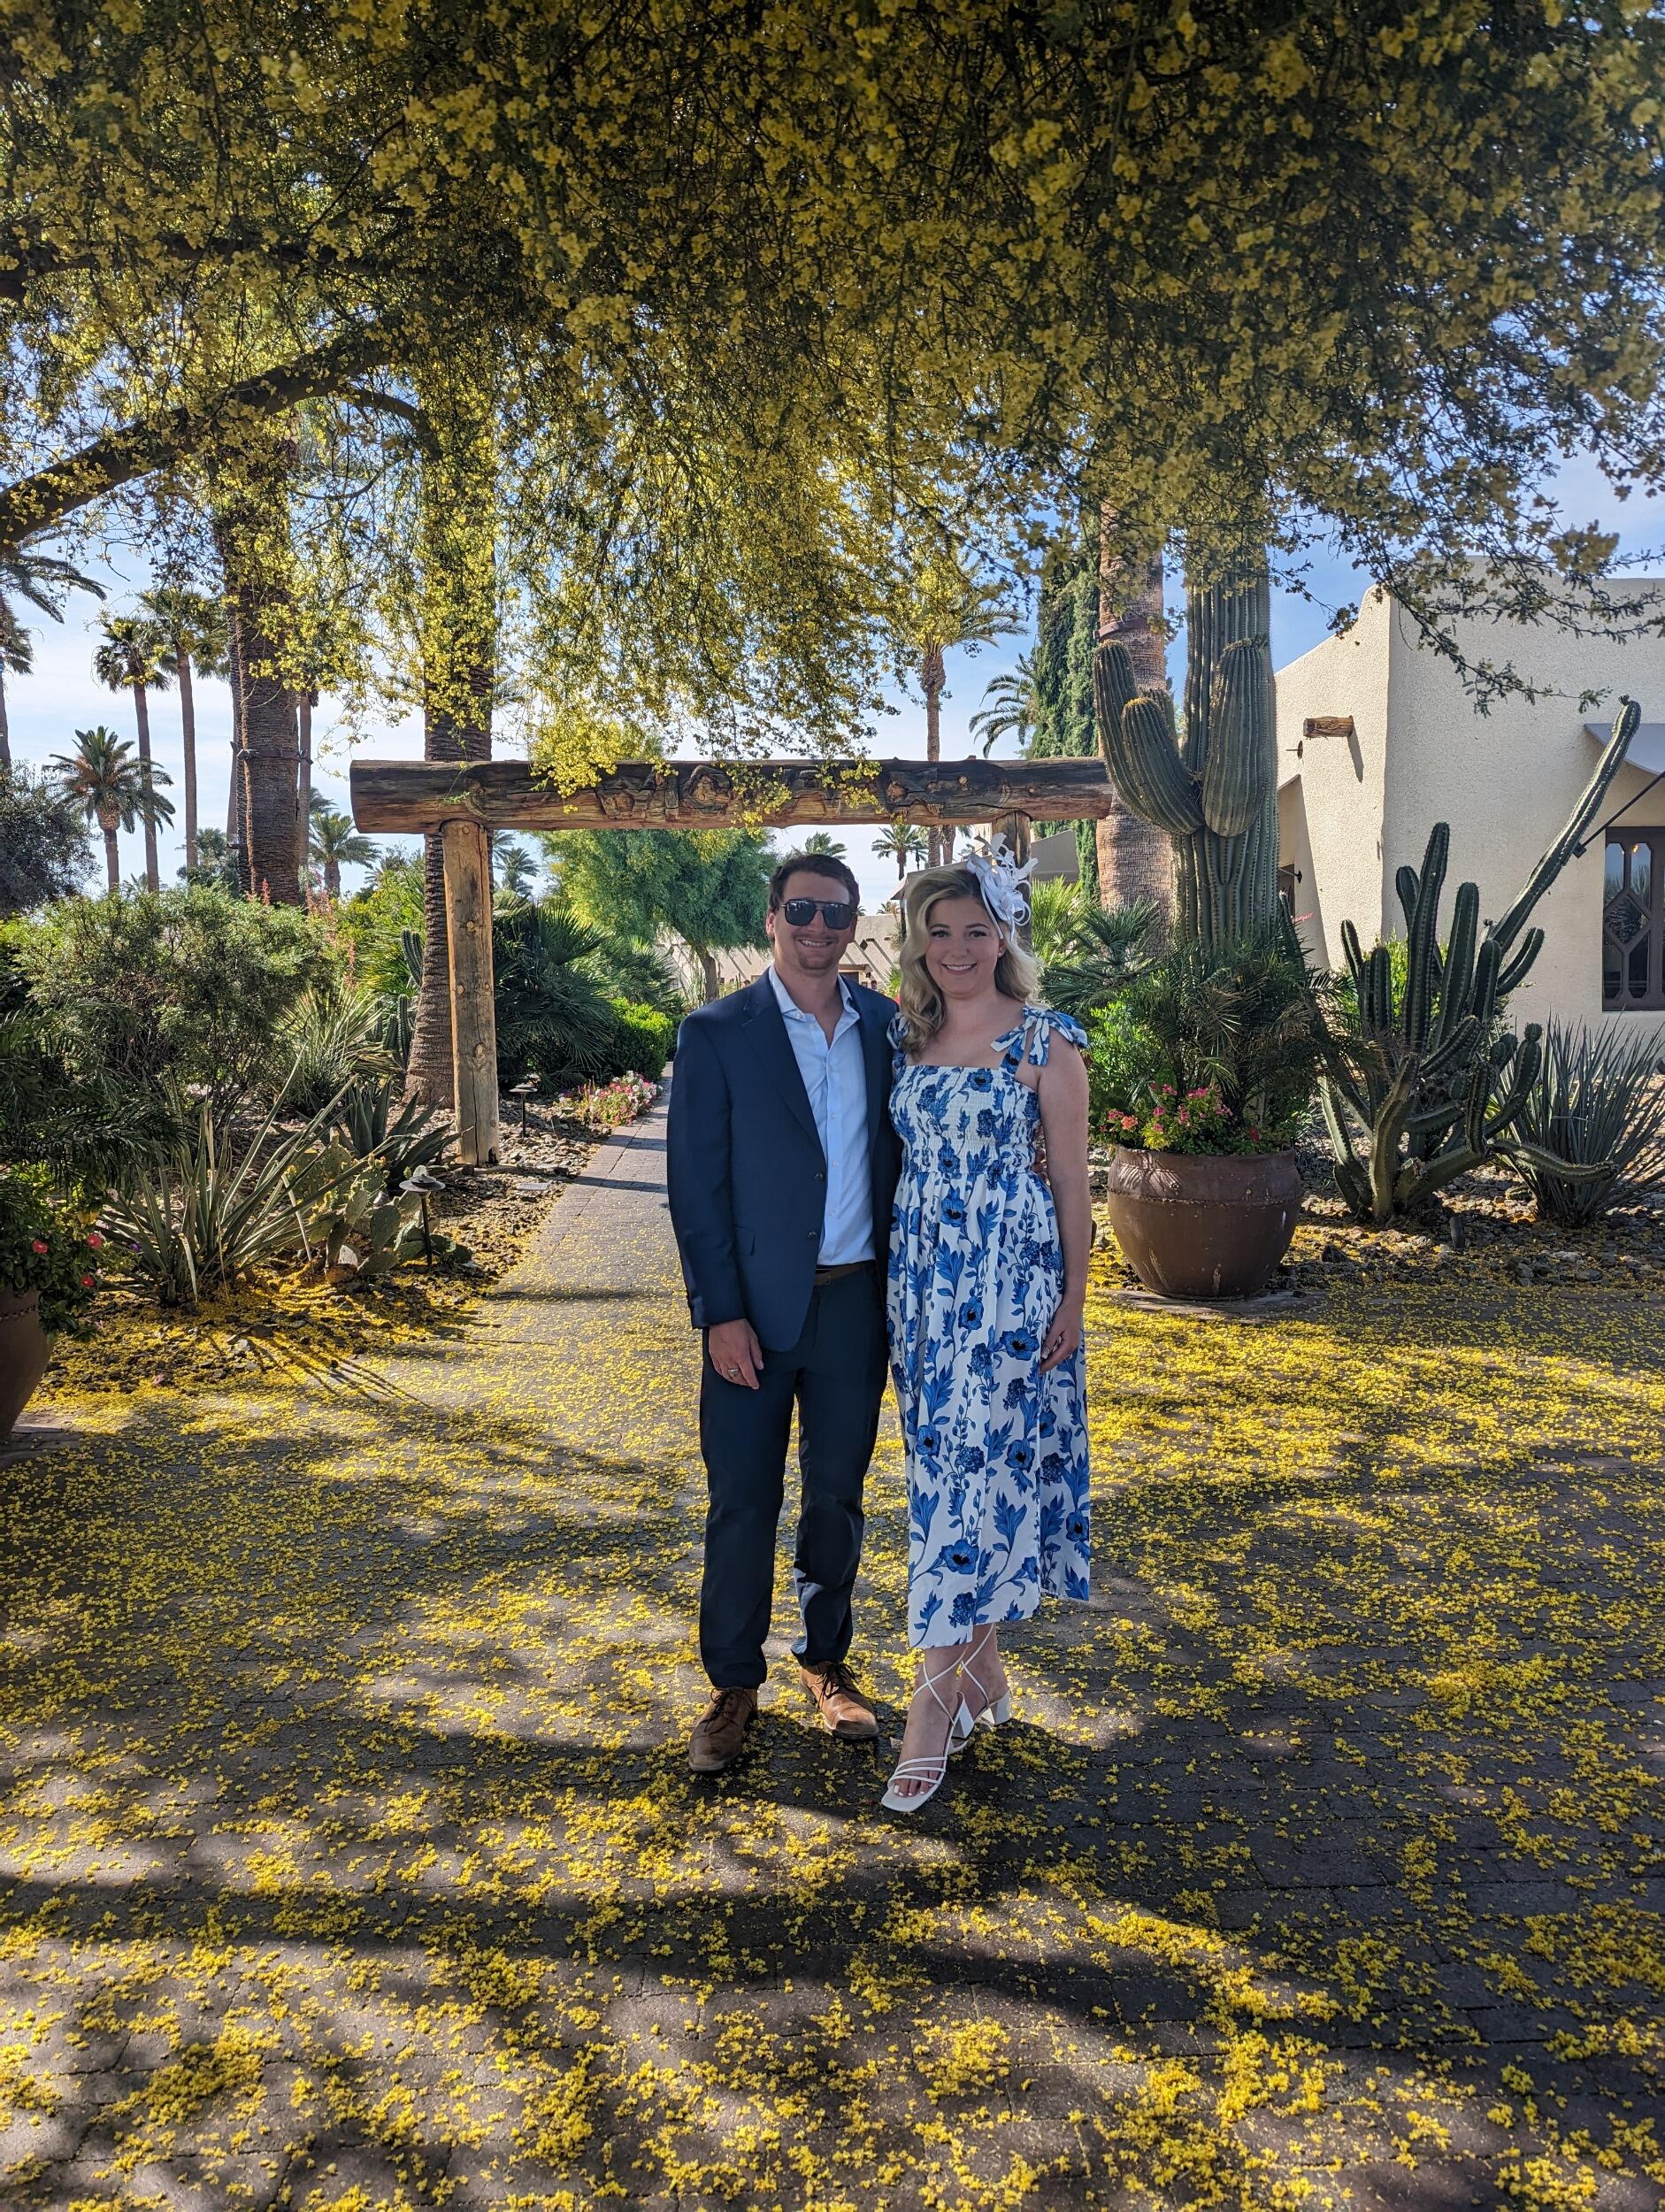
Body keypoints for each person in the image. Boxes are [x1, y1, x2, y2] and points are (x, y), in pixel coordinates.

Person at [666, 852, 902, 1774]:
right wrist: (717, 1313)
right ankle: (732, 1684)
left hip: (856, 1307)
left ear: (853, 927)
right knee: (741, 1502)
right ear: (771, 918)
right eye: (800, 909)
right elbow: (696, 1186)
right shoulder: (717, 1031)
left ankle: (825, 1662)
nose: (817, 927)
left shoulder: (887, 1026)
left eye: (835, 913)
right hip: (751, 1317)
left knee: (836, 1498)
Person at [881, 844, 1093, 1812]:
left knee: (966, 1479)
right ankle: (989, 1674)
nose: (958, 948)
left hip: (1008, 1290)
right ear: (919, 946)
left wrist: (1074, 1300)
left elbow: (1073, 1188)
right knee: (946, 1473)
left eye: (976, 930)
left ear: (1003, 935)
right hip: (920, 1289)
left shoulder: (1046, 1040)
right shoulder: (904, 1039)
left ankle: (930, 1707)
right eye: (940, 933)